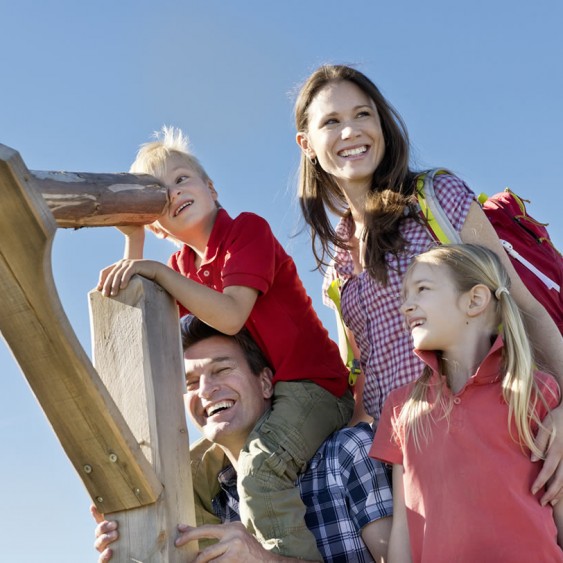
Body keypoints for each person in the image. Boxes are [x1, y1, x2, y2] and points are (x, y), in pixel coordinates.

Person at [294, 64, 563, 506]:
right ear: (307, 144)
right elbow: (367, 389)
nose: (351, 131)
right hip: (418, 475)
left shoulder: (434, 198)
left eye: (363, 114)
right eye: (331, 121)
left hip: (503, 442)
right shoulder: (339, 267)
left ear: (381, 123)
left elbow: (521, 304)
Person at [96, 126, 354, 560]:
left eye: (182, 179)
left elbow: (231, 316)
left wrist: (158, 273)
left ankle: (283, 556)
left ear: (211, 188)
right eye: (160, 193)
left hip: (315, 387)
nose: (175, 192)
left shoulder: (245, 233)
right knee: (178, 477)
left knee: (260, 470)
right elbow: (135, 324)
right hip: (268, 394)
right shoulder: (181, 264)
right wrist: (133, 239)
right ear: (156, 224)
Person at [94, 316, 393, 562]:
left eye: (221, 369)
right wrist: (133, 547)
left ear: (265, 383)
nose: (206, 390)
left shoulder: (347, 454)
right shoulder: (201, 508)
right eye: (192, 383)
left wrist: (265, 560)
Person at [370, 244, 563, 561]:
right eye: (405, 295)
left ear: (474, 300)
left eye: (422, 289)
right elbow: (404, 528)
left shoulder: (537, 392)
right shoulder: (401, 406)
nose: (406, 306)